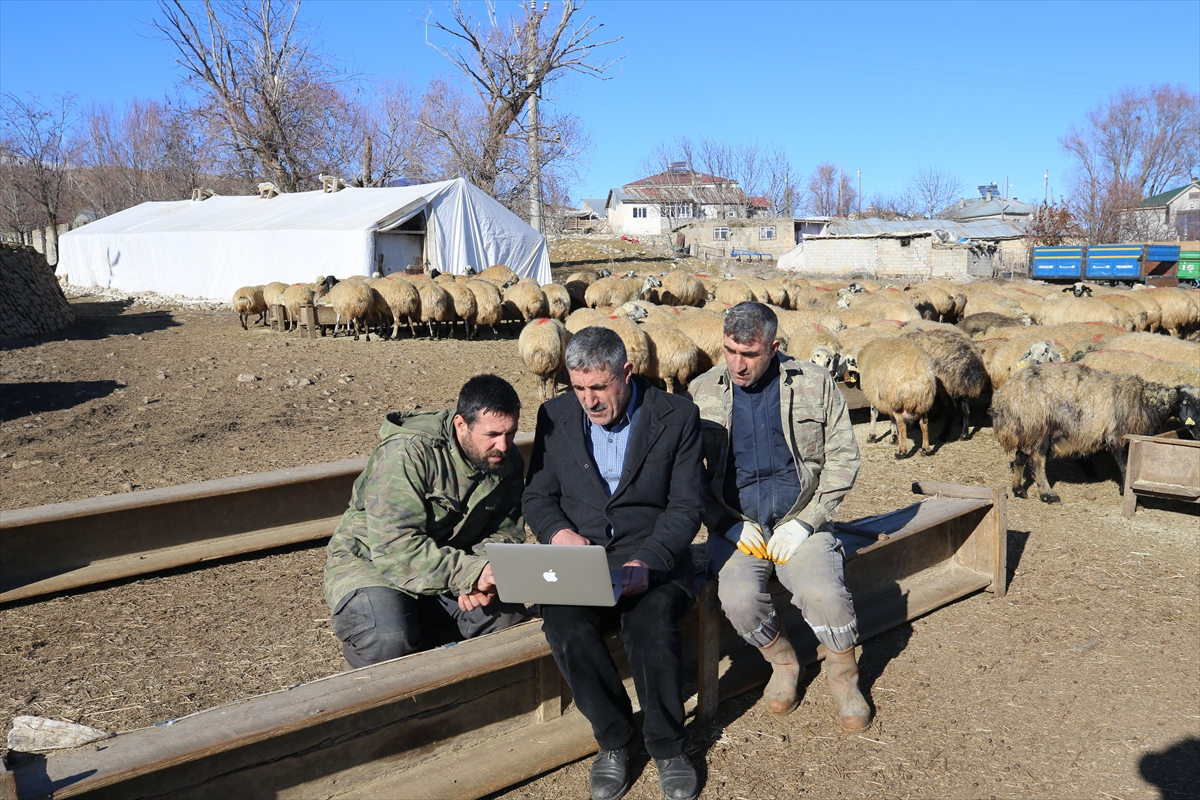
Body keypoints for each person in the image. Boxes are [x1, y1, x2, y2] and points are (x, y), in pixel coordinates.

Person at [523, 326, 704, 800]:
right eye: (579, 388)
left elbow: (686, 506)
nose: (588, 400)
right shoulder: (554, 416)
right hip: (581, 561)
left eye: (599, 387)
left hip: (653, 558)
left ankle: (667, 746)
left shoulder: (677, 415)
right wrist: (558, 533)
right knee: (563, 624)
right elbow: (537, 496)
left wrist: (649, 560)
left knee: (651, 629)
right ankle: (614, 739)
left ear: (627, 372)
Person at [688, 302, 870, 732]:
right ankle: (784, 663)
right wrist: (723, 522)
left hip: (799, 520)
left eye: (749, 354)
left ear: (774, 347)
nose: (737, 363)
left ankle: (844, 678)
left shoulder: (814, 383)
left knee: (823, 592)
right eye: (730, 350)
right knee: (737, 599)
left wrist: (809, 520)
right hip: (737, 527)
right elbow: (686, 476)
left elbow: (844, 457)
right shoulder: (701, 391)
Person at [323, 374, 528, 668]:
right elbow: (395, 548)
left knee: (509, 620)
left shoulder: (505, 460)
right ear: (461, 425)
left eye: (511, 433)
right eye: (492, 434)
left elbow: (504, 533)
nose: (504, 445)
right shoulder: (407, 453)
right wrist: (469, 573)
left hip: (448, 568)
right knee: (388, 640)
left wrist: (483, 579)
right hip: (373, 564)